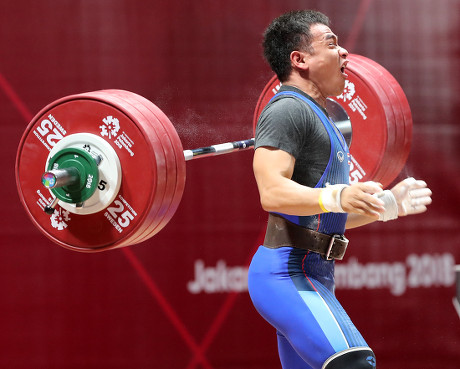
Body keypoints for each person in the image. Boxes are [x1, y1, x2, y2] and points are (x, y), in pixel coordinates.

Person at [248, 10, 432, 369]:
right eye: (331, 44)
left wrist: (388, 204)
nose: (345, 52)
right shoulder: (287, 110)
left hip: (314, 272)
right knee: (354, 364)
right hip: (287, 274)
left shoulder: (321, 118)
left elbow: (321, 219)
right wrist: (335, 195)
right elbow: (271, 192)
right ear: (299, 60)